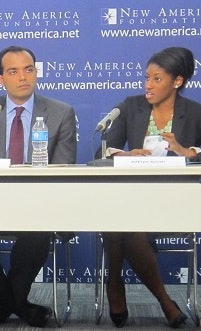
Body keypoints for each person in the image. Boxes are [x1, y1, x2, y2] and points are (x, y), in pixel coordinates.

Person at [0, 45, 77, 327]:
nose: (23, 76)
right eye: (13, 71)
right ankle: (17, 303)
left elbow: (62, 170)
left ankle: (2, 304)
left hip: (39, 203)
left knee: (39, 228)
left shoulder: (60, 113)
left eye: (29, 69)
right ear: (1, 79)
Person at [95, 47, 201, 328]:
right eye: (146, 78)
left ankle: (114, 283)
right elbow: (102, 151)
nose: (147, 85)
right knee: (122, 217)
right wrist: (126, 155)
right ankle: (165, 302)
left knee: (120, 221)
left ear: (177, 81)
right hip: (133, 197)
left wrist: (185, 151)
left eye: (156, 79)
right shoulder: (131, 106)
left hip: (174, 200)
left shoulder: (195, 113)